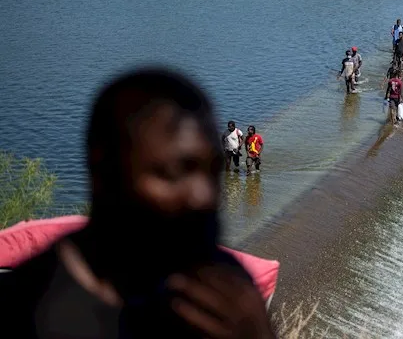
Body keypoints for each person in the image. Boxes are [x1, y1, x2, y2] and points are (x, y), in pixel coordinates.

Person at [0, 69, 274, 338]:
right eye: (172, 173)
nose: (203, 196)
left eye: (211, 170)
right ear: (103, 170)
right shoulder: (28, 309)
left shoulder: (226, 290)